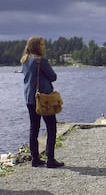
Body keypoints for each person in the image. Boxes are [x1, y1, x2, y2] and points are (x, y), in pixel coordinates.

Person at [20, 36, 64, 168]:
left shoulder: (25, 60)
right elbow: (53, 76)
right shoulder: (40, 60)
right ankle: (50, 159)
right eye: (42, 44)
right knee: (51, 127)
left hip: (29, 97)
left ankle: (35, 159)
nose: (44, 46)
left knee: (34, 128)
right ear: (37, 46)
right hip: (43, 98)